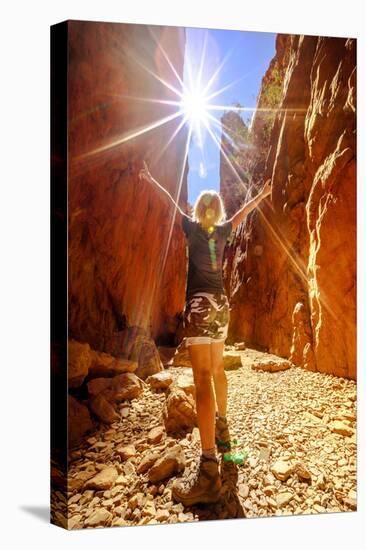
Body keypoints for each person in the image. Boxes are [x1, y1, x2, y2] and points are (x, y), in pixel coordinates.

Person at [139, 161, 272, 506]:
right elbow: (242, 213)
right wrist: (264, 194)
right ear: (217, 211)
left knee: (200, 379)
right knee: (215, 372)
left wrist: (152, 177)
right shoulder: (225, 229)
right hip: (221, 306)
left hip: (199, 306)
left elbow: (170, 202)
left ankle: (209, 468)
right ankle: (224, 438)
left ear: (199, 210)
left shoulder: (192, 227)